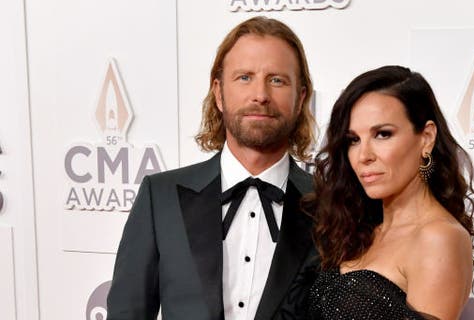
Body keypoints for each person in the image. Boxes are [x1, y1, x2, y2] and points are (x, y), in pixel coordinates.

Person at [107, 16, 318, 320]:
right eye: (244, 77)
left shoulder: (333, 205)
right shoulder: (161, 197)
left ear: (301, 98)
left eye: (277, 80)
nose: (260, 94)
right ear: (219, 93)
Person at [307, 66, 474, 320]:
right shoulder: (360, 228)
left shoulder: (438, 238)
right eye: (353, 140)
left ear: (426, 137)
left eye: (382, 134)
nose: (364, 156)